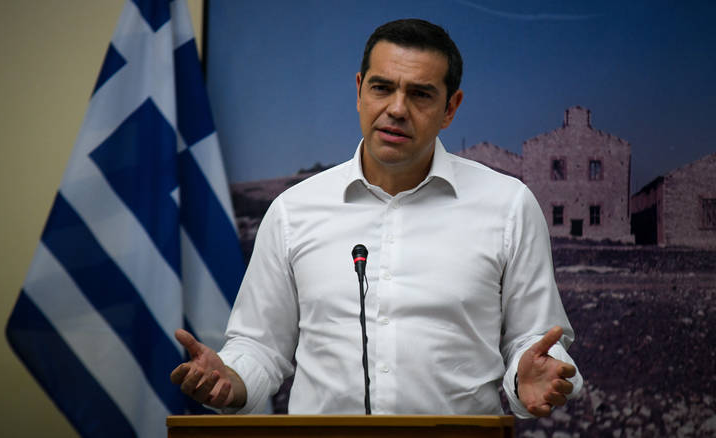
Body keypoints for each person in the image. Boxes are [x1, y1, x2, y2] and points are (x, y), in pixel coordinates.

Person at [171, 18, 582, 418]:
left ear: (450, 108)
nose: (397, 109)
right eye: (382, 88)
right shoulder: (293, 211)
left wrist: (534, 374)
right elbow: (259, 347)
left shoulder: (508, 207)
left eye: (420, 94)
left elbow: (534, 341)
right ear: (359, 90)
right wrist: (231, 378)